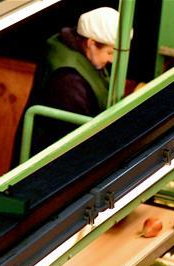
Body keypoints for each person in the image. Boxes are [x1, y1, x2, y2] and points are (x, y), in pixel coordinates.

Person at [15, 7, 124, 161]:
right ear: (91, 43)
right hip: (51, 160)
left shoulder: (74, 47)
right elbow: (81, 137)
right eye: (109, 53)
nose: (111, 60)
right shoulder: (68, 79)